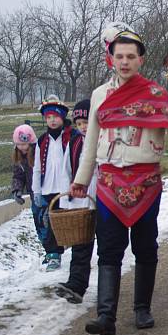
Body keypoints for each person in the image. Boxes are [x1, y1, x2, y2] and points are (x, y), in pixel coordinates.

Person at [70, 26, 168, 335]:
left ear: (141, 60)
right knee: (109, 249)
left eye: (130, 57)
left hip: (145, 184)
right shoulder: (100, 95)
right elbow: (91, 142)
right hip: (109, 183)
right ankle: (106, 315)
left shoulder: (156, 94)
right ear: (110, 59)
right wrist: (81, 180)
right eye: (119, 56)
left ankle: (141, 309)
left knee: (144, 246)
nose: (124, 62)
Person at [54, 98, 98, 304]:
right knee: (81, 245)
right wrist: (67, 199)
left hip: (103, 202)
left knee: (107, 247)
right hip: (81, 204)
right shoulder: (75, 143)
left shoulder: (103, 141)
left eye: (87, 122)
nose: (83, 128)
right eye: (79, 124)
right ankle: (76, 285)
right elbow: (66, 171)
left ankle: (109, 287)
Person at [32, 96, 82, 271]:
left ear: (62, 117)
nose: (52, 121)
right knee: (51, 221)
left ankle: (71, 253)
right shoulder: (42, 141)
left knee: (69, 220)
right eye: (48, 118)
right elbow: (37, 167)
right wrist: (36, 190)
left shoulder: (71, 137)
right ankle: (53, 253)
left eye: (55, 117)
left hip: (67, 187)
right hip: (48, 187)